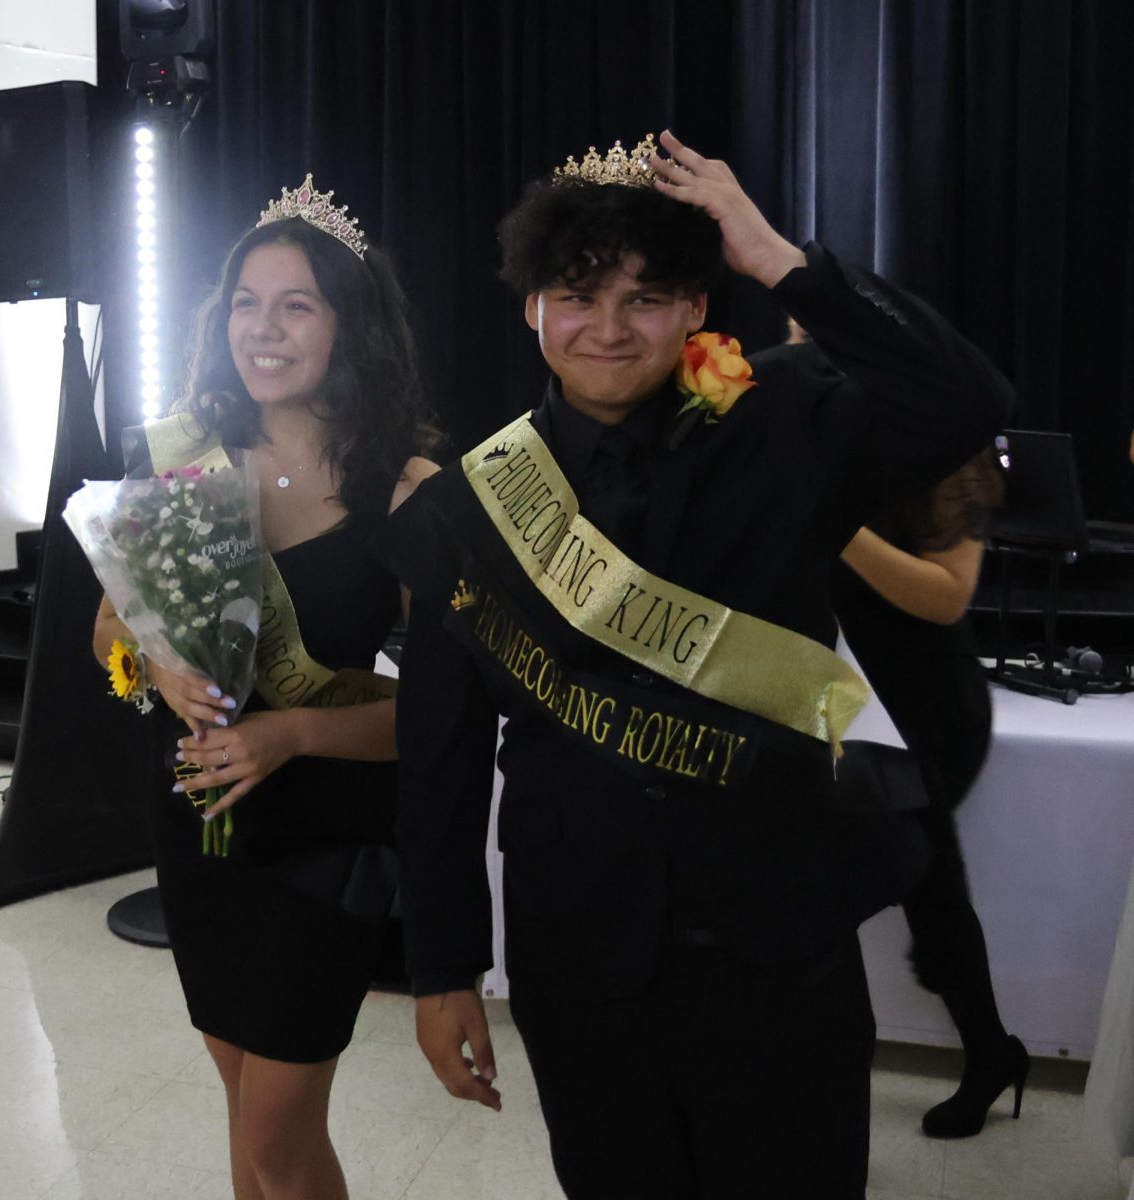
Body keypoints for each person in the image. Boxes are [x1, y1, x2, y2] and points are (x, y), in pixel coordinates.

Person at [386, 130, 1012, 1198]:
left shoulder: (793, 422)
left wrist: (780, 257)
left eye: (648, 298)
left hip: (780, 946)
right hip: (579, 958)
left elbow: (967, 402)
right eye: (577, 297)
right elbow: (438, 762)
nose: (609, 330)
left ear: (697, 309)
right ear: (532, 305)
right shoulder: (465, 510)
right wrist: (442, 973)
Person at [92, 177, 438, 1200]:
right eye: (247, 302)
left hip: (329, 841)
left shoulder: (410, 492)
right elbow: (108, 622)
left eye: (298, 304)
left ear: (349, 322)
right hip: (200, 827)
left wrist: (291, 735)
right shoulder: (187, 456)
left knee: (280, 1136)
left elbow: (446, 716)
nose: (265, 328)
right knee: (248, 1125)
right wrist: (153, 659)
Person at [834, 447, 1029, 1138]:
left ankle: (986, 1055)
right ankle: (990, 1053)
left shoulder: (947, 447)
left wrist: (834, 524)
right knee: (916, 891)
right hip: (840, 697)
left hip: (926, 707)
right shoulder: (801, 418)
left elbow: (949, 595)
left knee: (922, 888)